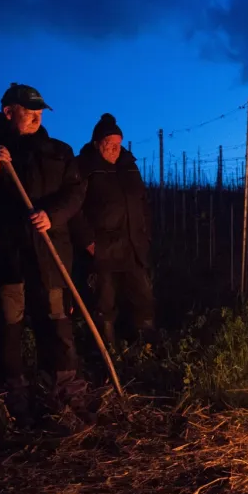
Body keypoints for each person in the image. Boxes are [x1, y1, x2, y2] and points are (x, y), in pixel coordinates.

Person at [0, 83, 91, 427]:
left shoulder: (57, 151)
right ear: (9, 111)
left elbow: (75, 192)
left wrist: (51, 214)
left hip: (48, 255)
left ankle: (66, 393)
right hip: (2, 257)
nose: (37, 116)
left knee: (56, 324)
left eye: (40, 111)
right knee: (8, 327)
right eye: (29, 110)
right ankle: (13, 399)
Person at [70, 113, 156, 352]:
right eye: (110, 145)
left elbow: (143, 202)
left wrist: (144, 234)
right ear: (98, 143)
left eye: (118, 144)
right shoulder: (84, 167)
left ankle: (145, 349)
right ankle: (106, 355)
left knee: (143, 298)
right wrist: (88, 243)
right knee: (104, 303)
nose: (115, 150)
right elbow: (74, 209)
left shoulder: (129, 168)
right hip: (103, 248)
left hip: (133, 246)